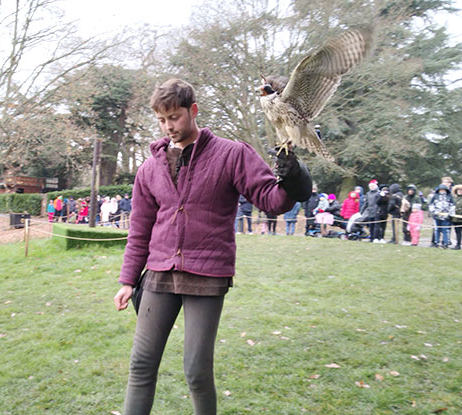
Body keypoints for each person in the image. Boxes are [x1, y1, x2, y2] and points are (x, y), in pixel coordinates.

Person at [113, 79, 312, 415]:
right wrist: (128, 280)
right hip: (159, 273)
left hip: (207, 274)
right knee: (141, 363)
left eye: (174, 118)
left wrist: (293, 176)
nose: (168, 127)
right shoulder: (150, 167)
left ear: (193, 111)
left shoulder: (231, 154)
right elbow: (140, 229)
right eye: (162, 121)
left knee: (196, 371)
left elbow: (271, 200)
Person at [429, 184, 455, 248]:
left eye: (443, 190)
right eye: (441, 190)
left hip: (446, 217)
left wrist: (450, 213)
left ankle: (445, 243)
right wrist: (434, 211)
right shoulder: (435, 196)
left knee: (445, 230)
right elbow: (431, 205)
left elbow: (452, 205)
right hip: (437, 216)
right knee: (437, 230)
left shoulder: (449, 197)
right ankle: (436, 242)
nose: (442, 191)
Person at [451, 184, 462, 250]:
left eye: (461, 190)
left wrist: (461, 211)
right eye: (459, 190)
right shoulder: (454, 198)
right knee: (457, 232)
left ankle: (458, 244)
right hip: (455, 219)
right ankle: (458, 245)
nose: (460, 191)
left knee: (459, 231)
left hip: (461, 218)